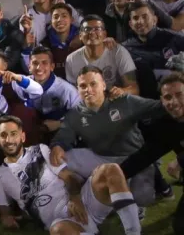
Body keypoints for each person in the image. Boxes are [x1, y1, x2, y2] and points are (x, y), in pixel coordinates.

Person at [0, 115, 166, 235]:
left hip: (83, 202)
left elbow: (68, 176)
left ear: (22, 136)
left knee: (110, 169)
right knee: (58, 234)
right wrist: (6, 218)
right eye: (3, 135)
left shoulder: (40, 150)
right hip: (60, 221)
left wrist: (75, 197)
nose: (9, 140)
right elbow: (4, 208)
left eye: (13, 134)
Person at [49, 66, 167, 206]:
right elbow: (64, 134)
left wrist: (174, 101)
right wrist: (57, 145)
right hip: (101, 158)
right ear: (78, 89)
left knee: (143, 199)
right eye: (83, 86)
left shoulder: (124, 101)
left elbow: (157, 108)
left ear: (104, 85)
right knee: (57, 159)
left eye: (93, 84)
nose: (88, 89)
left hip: (133, 157)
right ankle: (81, 189)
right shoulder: (75, 114)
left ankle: (144, 181)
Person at [119, 72, 184, 234]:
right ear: (162, 100)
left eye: (179, 95)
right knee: (181, 228)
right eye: (168, 97)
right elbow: (145, 156)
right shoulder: (167, 125)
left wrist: (180, 160)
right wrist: (116, 174)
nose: (174, 102)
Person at [65, 15, 139, 98]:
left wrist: (122, 91)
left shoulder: (118, 52)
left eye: (97, 29)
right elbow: (73, 94)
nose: (92, 33)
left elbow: (134, 89)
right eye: (87, 29)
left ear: (104, 34)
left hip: (116, 102)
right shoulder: (71, 60)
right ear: (80, 36)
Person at [26, 46, 81, 139]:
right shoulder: (22, 85)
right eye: (35, 63)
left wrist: (59, 124)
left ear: (52, 67)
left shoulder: (67, 90)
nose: (39, 67)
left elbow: (83, 117)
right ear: (29, 67)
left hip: (61, 133)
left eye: (44, 63)